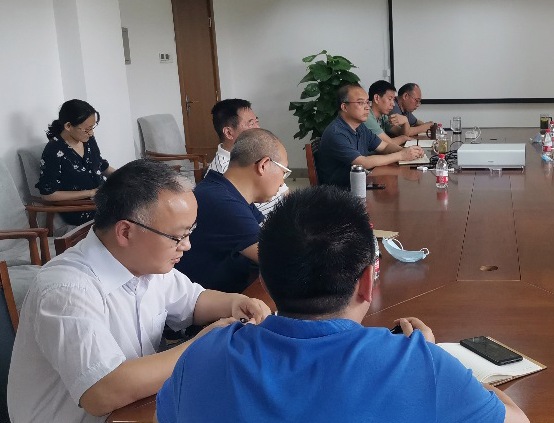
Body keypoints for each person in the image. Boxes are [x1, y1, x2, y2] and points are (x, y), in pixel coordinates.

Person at [152, 186, 533, 423]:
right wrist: (442, 365)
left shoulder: (205, 353)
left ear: (264, 280)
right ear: (367, 281)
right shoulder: (419, 367)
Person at [6, 159, 271, 423]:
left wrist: (235, 303)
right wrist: (200, 346)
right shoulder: (67, 289)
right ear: (126, 231)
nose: (187, 245)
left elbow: (194, 301)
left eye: (190, 232)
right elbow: (103, 391)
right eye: (178, 236)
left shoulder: (146, 265)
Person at [176, 129, 289, 293]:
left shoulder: (224, 190)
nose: (282, 183)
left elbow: (273, 235)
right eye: (284, 172)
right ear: (263, 165)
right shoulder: (222, 203)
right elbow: (280, 260)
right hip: (204, 303)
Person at [315, 84, 424, 188]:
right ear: (344, 107)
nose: (367, 107)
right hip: (341, 191)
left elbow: (384, 146)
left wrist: (408, 151)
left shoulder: (360, 127)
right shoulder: (337, 133)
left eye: (367, 102)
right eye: (360, 103)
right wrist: (401, 155)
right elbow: (363, 163)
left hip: (361, 182)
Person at [37, 99, 116, 225]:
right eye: (87, 129)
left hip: (102, 200)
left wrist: (123, 176)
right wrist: (90, 193)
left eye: (92, 127)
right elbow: (48, 194)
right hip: (82, 209)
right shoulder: (54, 151)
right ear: (68, 126)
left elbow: (100, 164)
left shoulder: (87, 140)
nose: (91, 133)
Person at [207, 98, 288, 216]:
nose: (258, 128)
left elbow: (285, 193)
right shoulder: (224, 173)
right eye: (251, 124)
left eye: (256, 122)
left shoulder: (254, 152)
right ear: (229, 133)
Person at [364, 79, 411, 147]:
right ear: (376, 98)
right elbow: (389, 143)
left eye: (393, 99)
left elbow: (400, 133)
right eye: (389, 99)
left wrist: (405, 122)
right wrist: (404, 138)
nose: (393, 104)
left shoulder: (382, 117)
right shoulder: (367, 117)